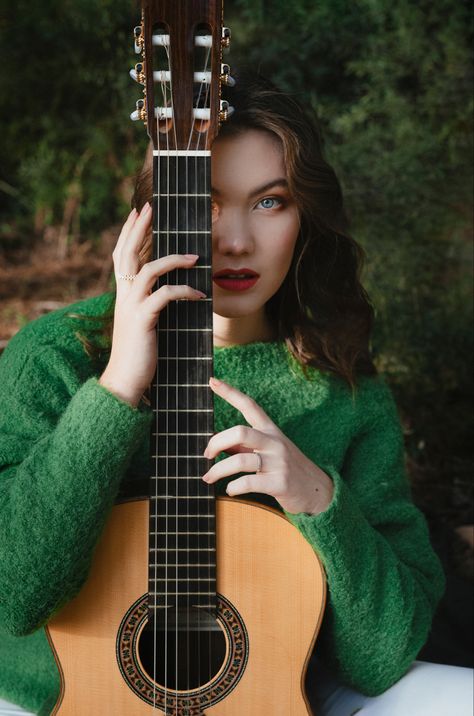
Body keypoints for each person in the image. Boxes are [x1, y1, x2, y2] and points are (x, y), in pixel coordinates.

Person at [0, 74, 472, 716]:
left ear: (305, 217)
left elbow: (381, 657)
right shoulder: (58, 354)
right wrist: (115, 392)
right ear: (154, 211)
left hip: (277, 689)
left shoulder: (340, 384)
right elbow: (15, 595)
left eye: (271, 202)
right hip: (60, 699)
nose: (236, 240)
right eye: (205, 201)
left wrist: (319, 498)